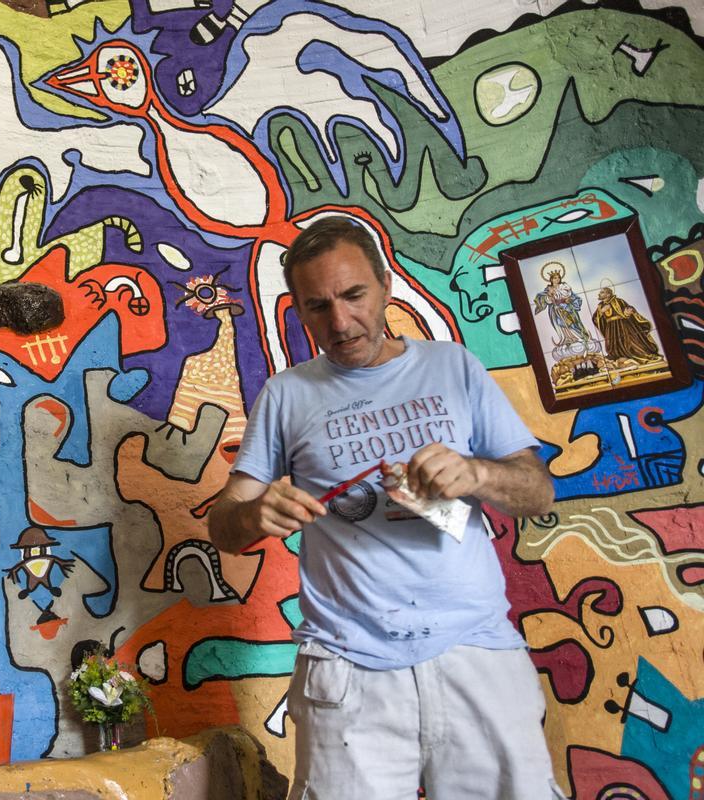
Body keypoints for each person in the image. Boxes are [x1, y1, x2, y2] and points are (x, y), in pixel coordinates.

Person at [208, 216, 560, 800]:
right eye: (318, 306)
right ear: (298, 309)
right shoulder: (287, 394)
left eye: (353, 295)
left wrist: (477, 472)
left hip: (475, 650)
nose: (340, 323)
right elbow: (227, 525)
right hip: (346, 665)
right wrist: (252, 515)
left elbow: (537, 490)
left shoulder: (454, 367)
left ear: (385, 285)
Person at [592, 285, 661, 363]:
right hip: (610, 328)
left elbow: (627, 309)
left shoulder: (618, 301)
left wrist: (628, 311)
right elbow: (595, 319)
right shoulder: (600, 306)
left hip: (622, 325)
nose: (599, 294)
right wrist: (601, 312)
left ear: (608, 294)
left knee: (631, 342)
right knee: (612, 344)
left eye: (602, 292)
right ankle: (616, 356)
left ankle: (642, 354)